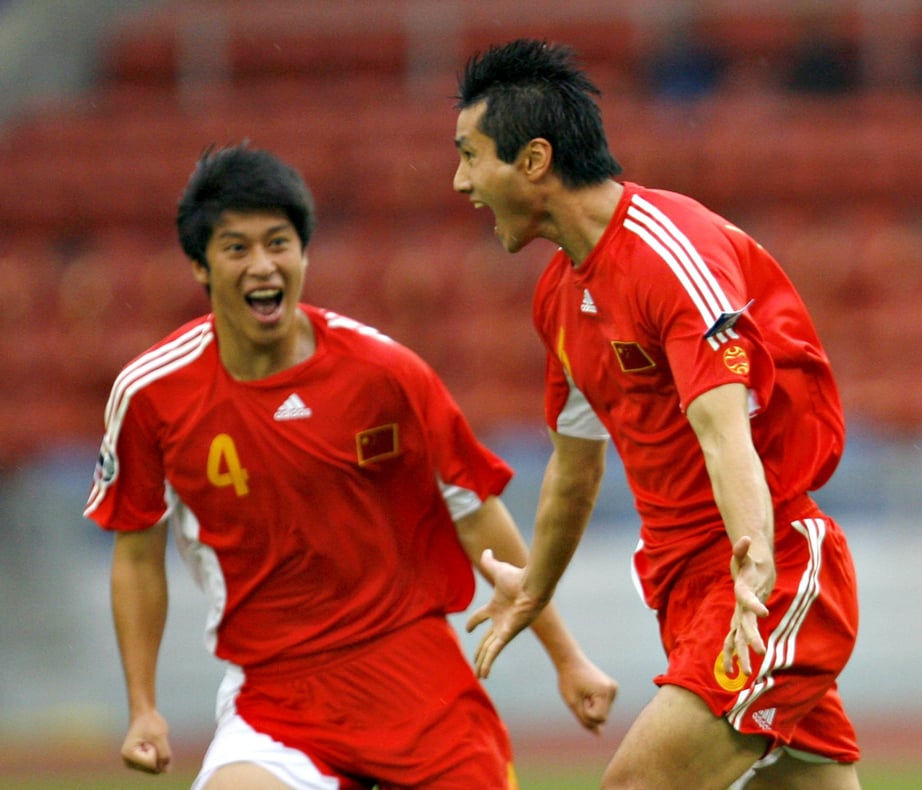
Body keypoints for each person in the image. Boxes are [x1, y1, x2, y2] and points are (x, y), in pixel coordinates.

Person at [83, 144, 617, 790]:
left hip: (418, 684)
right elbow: (137, 555)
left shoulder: (386, 373)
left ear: (305, 253)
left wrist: (569, 659)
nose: (262, 265)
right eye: (236, 248)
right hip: (277, 700)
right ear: (199, 264)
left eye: (278, 243)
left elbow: (477, 518)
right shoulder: (150, 395)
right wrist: (143, 708)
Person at [451, 39, 861, 789]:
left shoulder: (670, 252)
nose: (460, 182)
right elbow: (574, 471)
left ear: (534, 160)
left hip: (762, 573)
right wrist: (536, 589)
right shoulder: (559, 296)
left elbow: (722, 429)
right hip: (686, 592)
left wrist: (754, 563)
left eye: (471, 156)